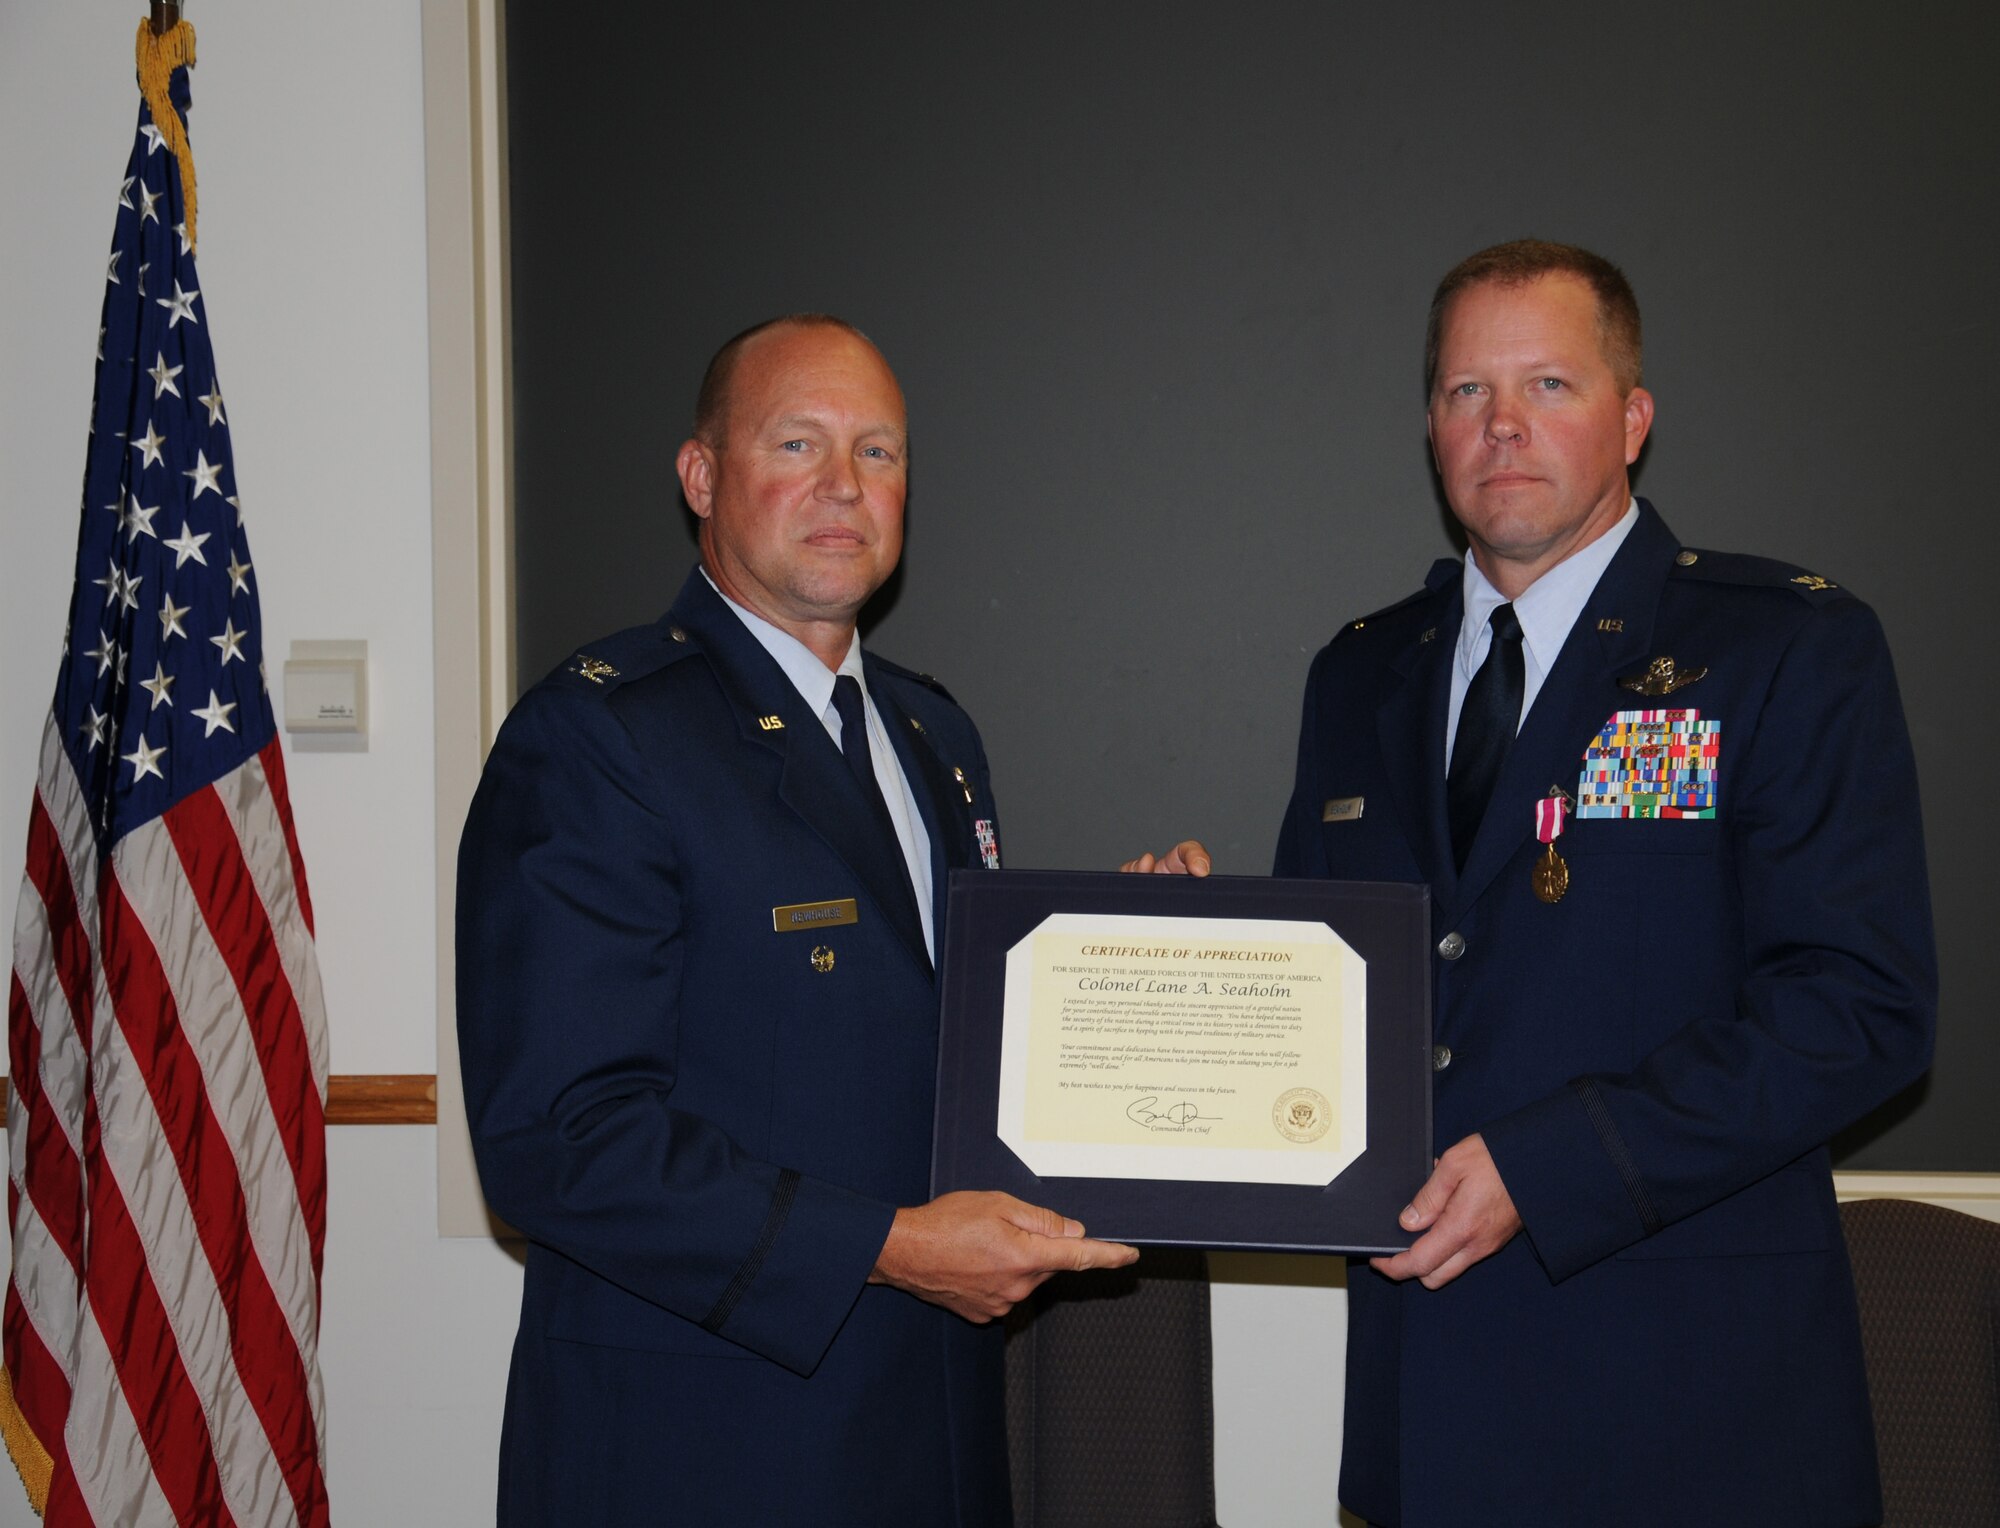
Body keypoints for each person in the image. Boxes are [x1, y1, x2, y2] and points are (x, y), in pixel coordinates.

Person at [1147, 240, 1937, 1524]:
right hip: (1433, 1403)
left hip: (1695, 1406)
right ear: (1428, 426)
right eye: (1466, 391)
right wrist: (1186, 965)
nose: (1502, 426)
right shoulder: (1357, 676)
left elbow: (1859, 1009)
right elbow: (1328, 1008)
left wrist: (1554, 1166)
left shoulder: (1782, 649)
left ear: (1631, 418)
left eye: (1549, 386)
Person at [456, 315, 1137, 1526]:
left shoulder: (937, 738)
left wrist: (1142, 960)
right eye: (796, 443)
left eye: (877, 452)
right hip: (705, 1445)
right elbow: (558, 1139)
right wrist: (889, 1244)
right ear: (701, 476)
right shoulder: (600, 738)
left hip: (928, 1426)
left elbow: (947, 1041)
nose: (842, 485)